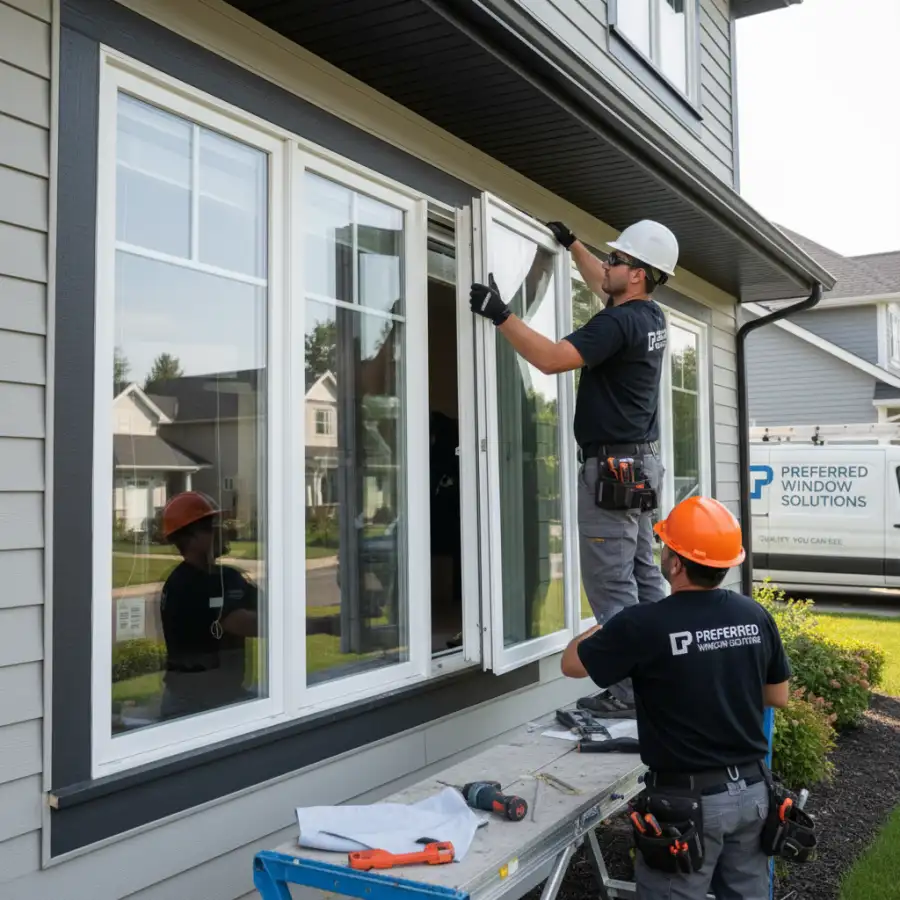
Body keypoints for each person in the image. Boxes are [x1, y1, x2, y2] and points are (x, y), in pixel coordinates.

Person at [469, 218, 679, 717]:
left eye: (618, 260)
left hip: (612, 470)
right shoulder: (650, 318)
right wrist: (572, 246)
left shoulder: (618, 323)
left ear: (639, 275)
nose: (607, 266)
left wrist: (500, 314)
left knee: (611, 586)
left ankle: (630, 693)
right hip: (642, 463)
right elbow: (599, 281)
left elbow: (550, 359)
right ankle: (661, 677)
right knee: (644, 576)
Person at [560, 496, 791, 900]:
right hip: (753, 793)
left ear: (677, 563)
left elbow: (571, 665)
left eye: (666, 547)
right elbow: (778, 695)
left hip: (688, 804)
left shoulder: (643, 624)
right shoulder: (754, 615)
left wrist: (610, 625)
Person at [158, 491, 260, 721]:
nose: (223, 531)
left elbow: (270, 608)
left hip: (223, 697)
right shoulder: (185, 585)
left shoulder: (226, 576)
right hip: (192, 706)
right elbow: (245, 623)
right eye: (214, 526)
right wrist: (319, 625)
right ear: (193, 537)